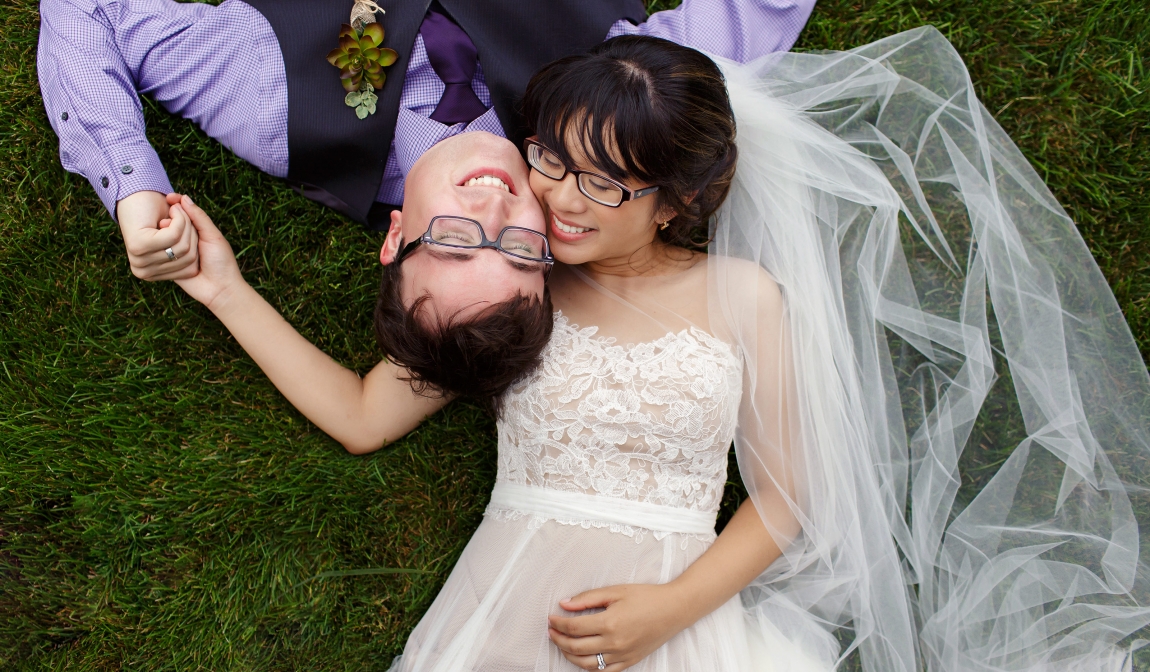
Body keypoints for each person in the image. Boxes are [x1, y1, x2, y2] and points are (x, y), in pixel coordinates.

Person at [168, 29, 1150, 672]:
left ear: (677, 202)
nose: (558, 199)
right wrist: (221, 285)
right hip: (507, 611)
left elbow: (787, 500)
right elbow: (362, 415)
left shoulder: (740, 297)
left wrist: (671, 610)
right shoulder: (521, 288)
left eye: (603, 185)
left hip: (675, 620)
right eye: (552, 159)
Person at [37, 0, 815, 401]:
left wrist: (133, 189)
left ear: (396, 235)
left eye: (452, 241)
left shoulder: (282, 111)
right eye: (519, 251)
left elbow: (88, 12)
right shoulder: (608, 108)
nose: (490, 214)